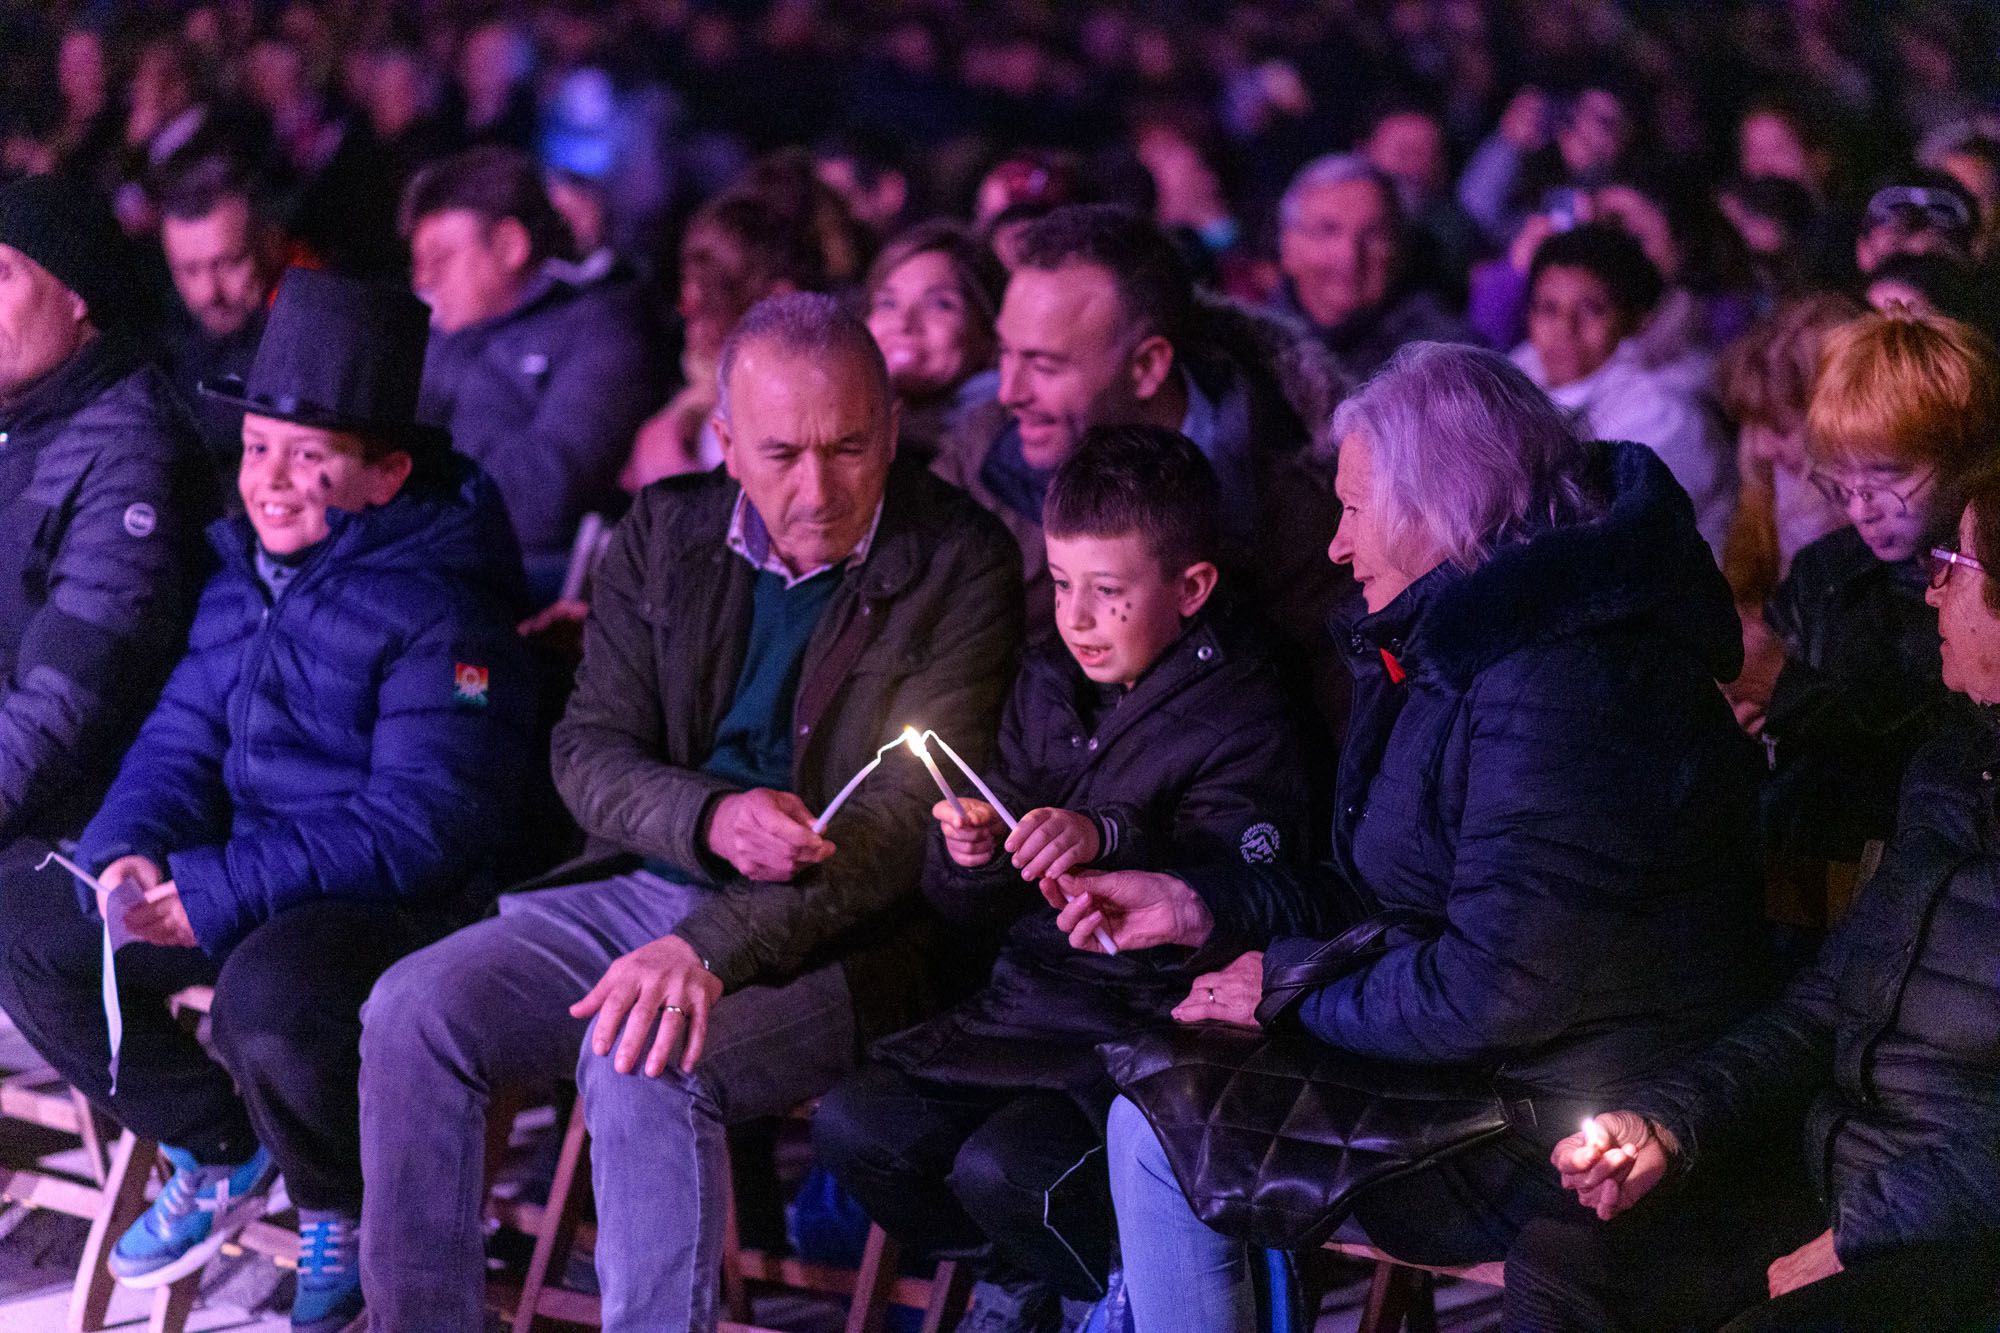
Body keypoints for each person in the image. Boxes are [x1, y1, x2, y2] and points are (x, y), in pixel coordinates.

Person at [357, 294, 1023, 1333]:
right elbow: (585, 751)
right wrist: (707, 819)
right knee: (411, 1010)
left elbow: (901, 825)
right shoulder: (664, 530)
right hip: (641, 883)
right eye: (781, 453)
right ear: (725, 444)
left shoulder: (960, 559)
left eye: (850, 447)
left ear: (893, 429)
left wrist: (708, 946)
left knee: (642, 1061)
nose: (817, 488)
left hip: (847, 937)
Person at [1070, 343, 1768, 1332]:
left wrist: (1284, 985)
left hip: (1565, 1111)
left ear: (1440, 506)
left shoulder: (1563, 677)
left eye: (1352, 509)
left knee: (1165, 1123)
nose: (1334, 546)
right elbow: (1386, 892)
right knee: (1156, 1081)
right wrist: (1201, 903)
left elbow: (1495, 986)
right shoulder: (1457, 641)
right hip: (1487, 1067)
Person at [0, 268, 536, 1333]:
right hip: (243, 873)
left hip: (390, 902)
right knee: (29, 925)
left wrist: (214, 886)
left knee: (270, 997)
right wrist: (134, 849)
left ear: (383, 474)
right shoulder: (242, 570)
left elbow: (424, 821)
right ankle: (217, 1141)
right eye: (255, 448)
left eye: (311, 456)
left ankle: (339, 1198)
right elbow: (180, 735)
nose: (271, 480)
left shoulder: (440, 606)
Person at [813, 426, 1311, 1333]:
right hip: (1027, 1006)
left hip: (1137, 1027)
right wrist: (970, 855)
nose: (1077, 616)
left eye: (1109, 592)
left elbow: (1257, 884)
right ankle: (1038, 1276)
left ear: (1191, 588)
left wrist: (1107, 835)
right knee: (858, 1126)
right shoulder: (1050, 677)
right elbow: (981, 885)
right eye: (1065, 581)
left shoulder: (1243, 704)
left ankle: (1116, 1281)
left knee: (1006, 1169)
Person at [1510, 473, 2000, 1332]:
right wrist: (1670, 1121)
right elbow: (1824, 1006)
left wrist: (1861, 1232)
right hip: (1835, 1177)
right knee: (1566, 1268)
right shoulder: (1954, 766)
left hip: (1952, 1237)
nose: (1932, 585)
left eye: (1954, 563)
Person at [934, 204, 1346, 739]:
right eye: (1006, 354)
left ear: (1148, 366)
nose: (1010, 392)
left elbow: (1326, 735)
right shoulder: (979, 451)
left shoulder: (1295, 510)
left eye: (1044, 365)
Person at [0, 174, 215, 878]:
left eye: (3, 276)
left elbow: (66, 702)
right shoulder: (25, 421)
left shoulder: (131, 449)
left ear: (75, 291)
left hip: (71, 825)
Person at [1760, 310, 2000, 868]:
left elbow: (1952, 732)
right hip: (1802, 859)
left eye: (1887, 475)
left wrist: (1788, 691)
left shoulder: (1984, 587)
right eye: (1843, 480)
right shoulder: (1827, 571)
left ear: (1965, 458)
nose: (1862, 508)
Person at [403, 146, 666, 603]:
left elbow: (540, 501)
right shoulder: (440, 333)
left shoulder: (604, 330)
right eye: (418, 261)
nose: (422, 280)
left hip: (526, 586)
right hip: (432, 565)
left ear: (510, 246)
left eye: (442, 258)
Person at [1514, 224, 1735, 555]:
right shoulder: (1509, 385)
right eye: (1548, 308)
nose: (1565, 327)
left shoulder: (1667, 414)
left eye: (1591, 309)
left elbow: (1602, 539)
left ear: (1636, 319)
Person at [1715, 294, 1865, 737]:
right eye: (1751, 425)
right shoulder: (1768, 490)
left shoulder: (1872, 534)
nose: (1760, 448)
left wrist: (1777, 682)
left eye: (1778, 427)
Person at [619, 188, 826, 490]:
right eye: (688, 308)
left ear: (778, 299)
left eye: (708, 302)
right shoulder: (695, 400)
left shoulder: (798, 404)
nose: (694, 328)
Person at [1270, 154, 1476, 383]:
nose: (1349, 255)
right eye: (1327, 231)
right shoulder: (1245, 348)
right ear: (1288, 248)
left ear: (1400, 249)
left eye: (1374, 234)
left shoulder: (1448, 360)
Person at [156, 158, 285, 465]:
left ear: (269, 245)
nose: (210, 292)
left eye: (228, 263)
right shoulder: (165, 351)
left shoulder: (314, 344)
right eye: (189, 270)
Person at [863, 219, 1005, 462]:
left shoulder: (1002, 447)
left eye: (940, 304)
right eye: (888, 303)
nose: (903, 323)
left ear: (988, 332)